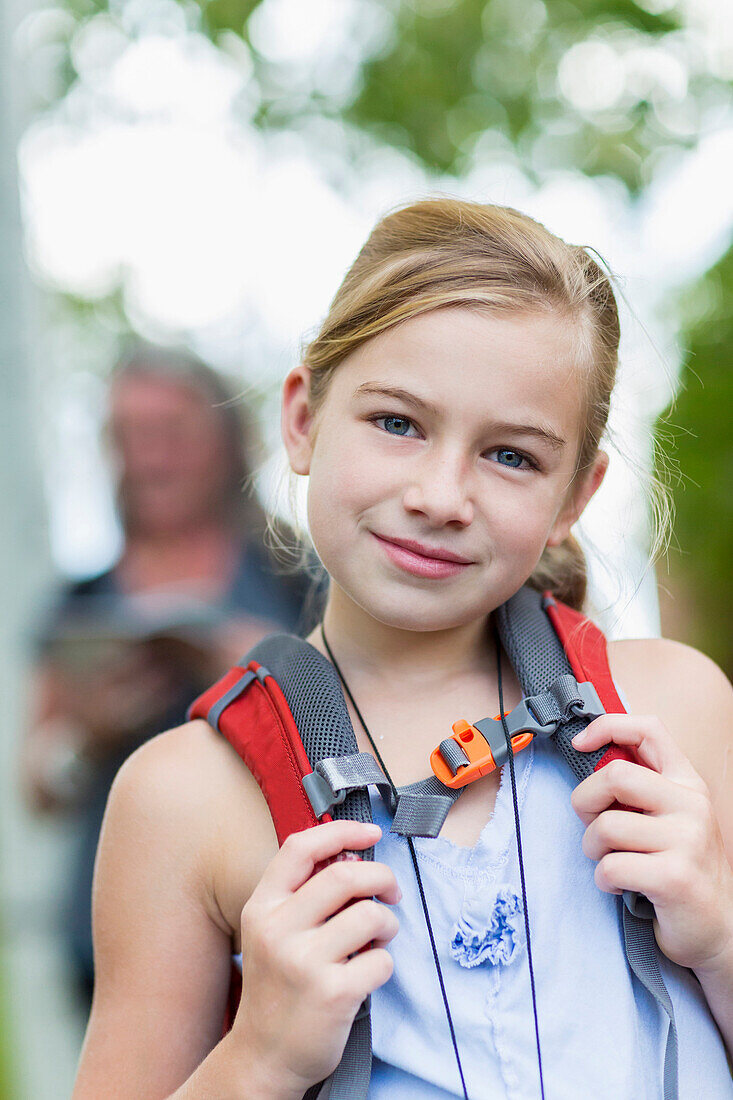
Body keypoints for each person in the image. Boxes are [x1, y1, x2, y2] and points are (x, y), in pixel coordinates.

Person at [72, 200, 733, 1098]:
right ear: (302, 420)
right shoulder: (183, 797)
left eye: (510, 456)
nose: (440, 494)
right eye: (397, 423)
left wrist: (722, 937)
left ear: (574, 496)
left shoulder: (672, 712)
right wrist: (259, 1053)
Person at [25, 344, 317, 1008]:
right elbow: (37, 783)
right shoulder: (81, 602)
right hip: (114, 934)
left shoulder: (296, 578)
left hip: (270, 919)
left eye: (170, 433)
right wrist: (85, 736)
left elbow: (370, 717)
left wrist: (248, 660)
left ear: (224, 443)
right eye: (129, 434)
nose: (149, 455)